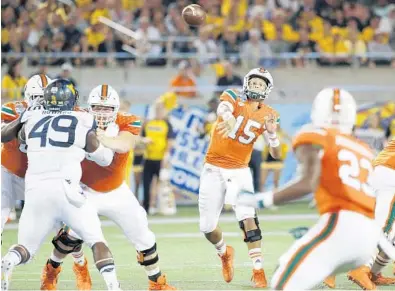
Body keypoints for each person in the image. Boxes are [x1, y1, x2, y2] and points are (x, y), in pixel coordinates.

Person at [238, 88, 383, 290]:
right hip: (369, 239)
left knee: (282, 281)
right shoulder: (364, 149)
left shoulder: (315, 134)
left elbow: (308, 182)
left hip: (340, 226)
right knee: (300, 271)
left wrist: (261, 200)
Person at [39, 84, 176, 291]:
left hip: (116, 191)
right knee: (69, 238)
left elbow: (125, 144)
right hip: (85, 190)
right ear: (89, 106)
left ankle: (156, 283)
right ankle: (51, 271)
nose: (102, 113)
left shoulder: (127, 120)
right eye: (97, 107)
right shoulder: (77, 117)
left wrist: (101, 139)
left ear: (116, 109)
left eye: (107, 108)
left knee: (144, 236)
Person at [1, 79, 121, 291]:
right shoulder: (83, 118)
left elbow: (7, 136)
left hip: (35, 192)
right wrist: (106, 143)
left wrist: (23, 118)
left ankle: (10, 259)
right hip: (68, 191)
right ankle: (113, 286)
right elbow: (103, 158)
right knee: (96, 239)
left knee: (25, 249)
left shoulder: (32, 116)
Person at [199, 68, 281, 288]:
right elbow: (223, 107)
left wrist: (272, 134)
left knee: (247, 217)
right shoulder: (233, 97)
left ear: (267, 90)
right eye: (253, 82)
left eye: (261, 84)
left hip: (239, 170)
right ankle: (224, 252)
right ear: (246, 84)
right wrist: (228, 118)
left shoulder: (269, 114)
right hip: (213, 167)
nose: (256, 86)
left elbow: (276, 155)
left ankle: (258, 270)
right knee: (207, 227)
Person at [323, 136, 395, 290]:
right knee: (384, 227)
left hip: (382, 172)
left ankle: (367, 272)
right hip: (390, 174)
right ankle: (359, 269)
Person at [1, 74, 51, 233]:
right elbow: (3, 135)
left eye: (46, 98)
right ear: (28, 96)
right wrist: (22, 119)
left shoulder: (61, 114)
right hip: (9, 171)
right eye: (37, 97)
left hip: (40, 174)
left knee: (58, 220)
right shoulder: (13, 109)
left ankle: (78, 257)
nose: (41, 102)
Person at [142, 101, 175, 214]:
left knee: (163, 185)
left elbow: (170, 141)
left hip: (161, 159)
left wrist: (166, 156)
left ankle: (164, 207)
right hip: (148, 158)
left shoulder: (167, 124)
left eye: (161, 110)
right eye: (157, 110)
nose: (159, 112)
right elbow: (141, 138)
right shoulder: (148, 123)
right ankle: (147, 207)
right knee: (147, 184)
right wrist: (144, 142)